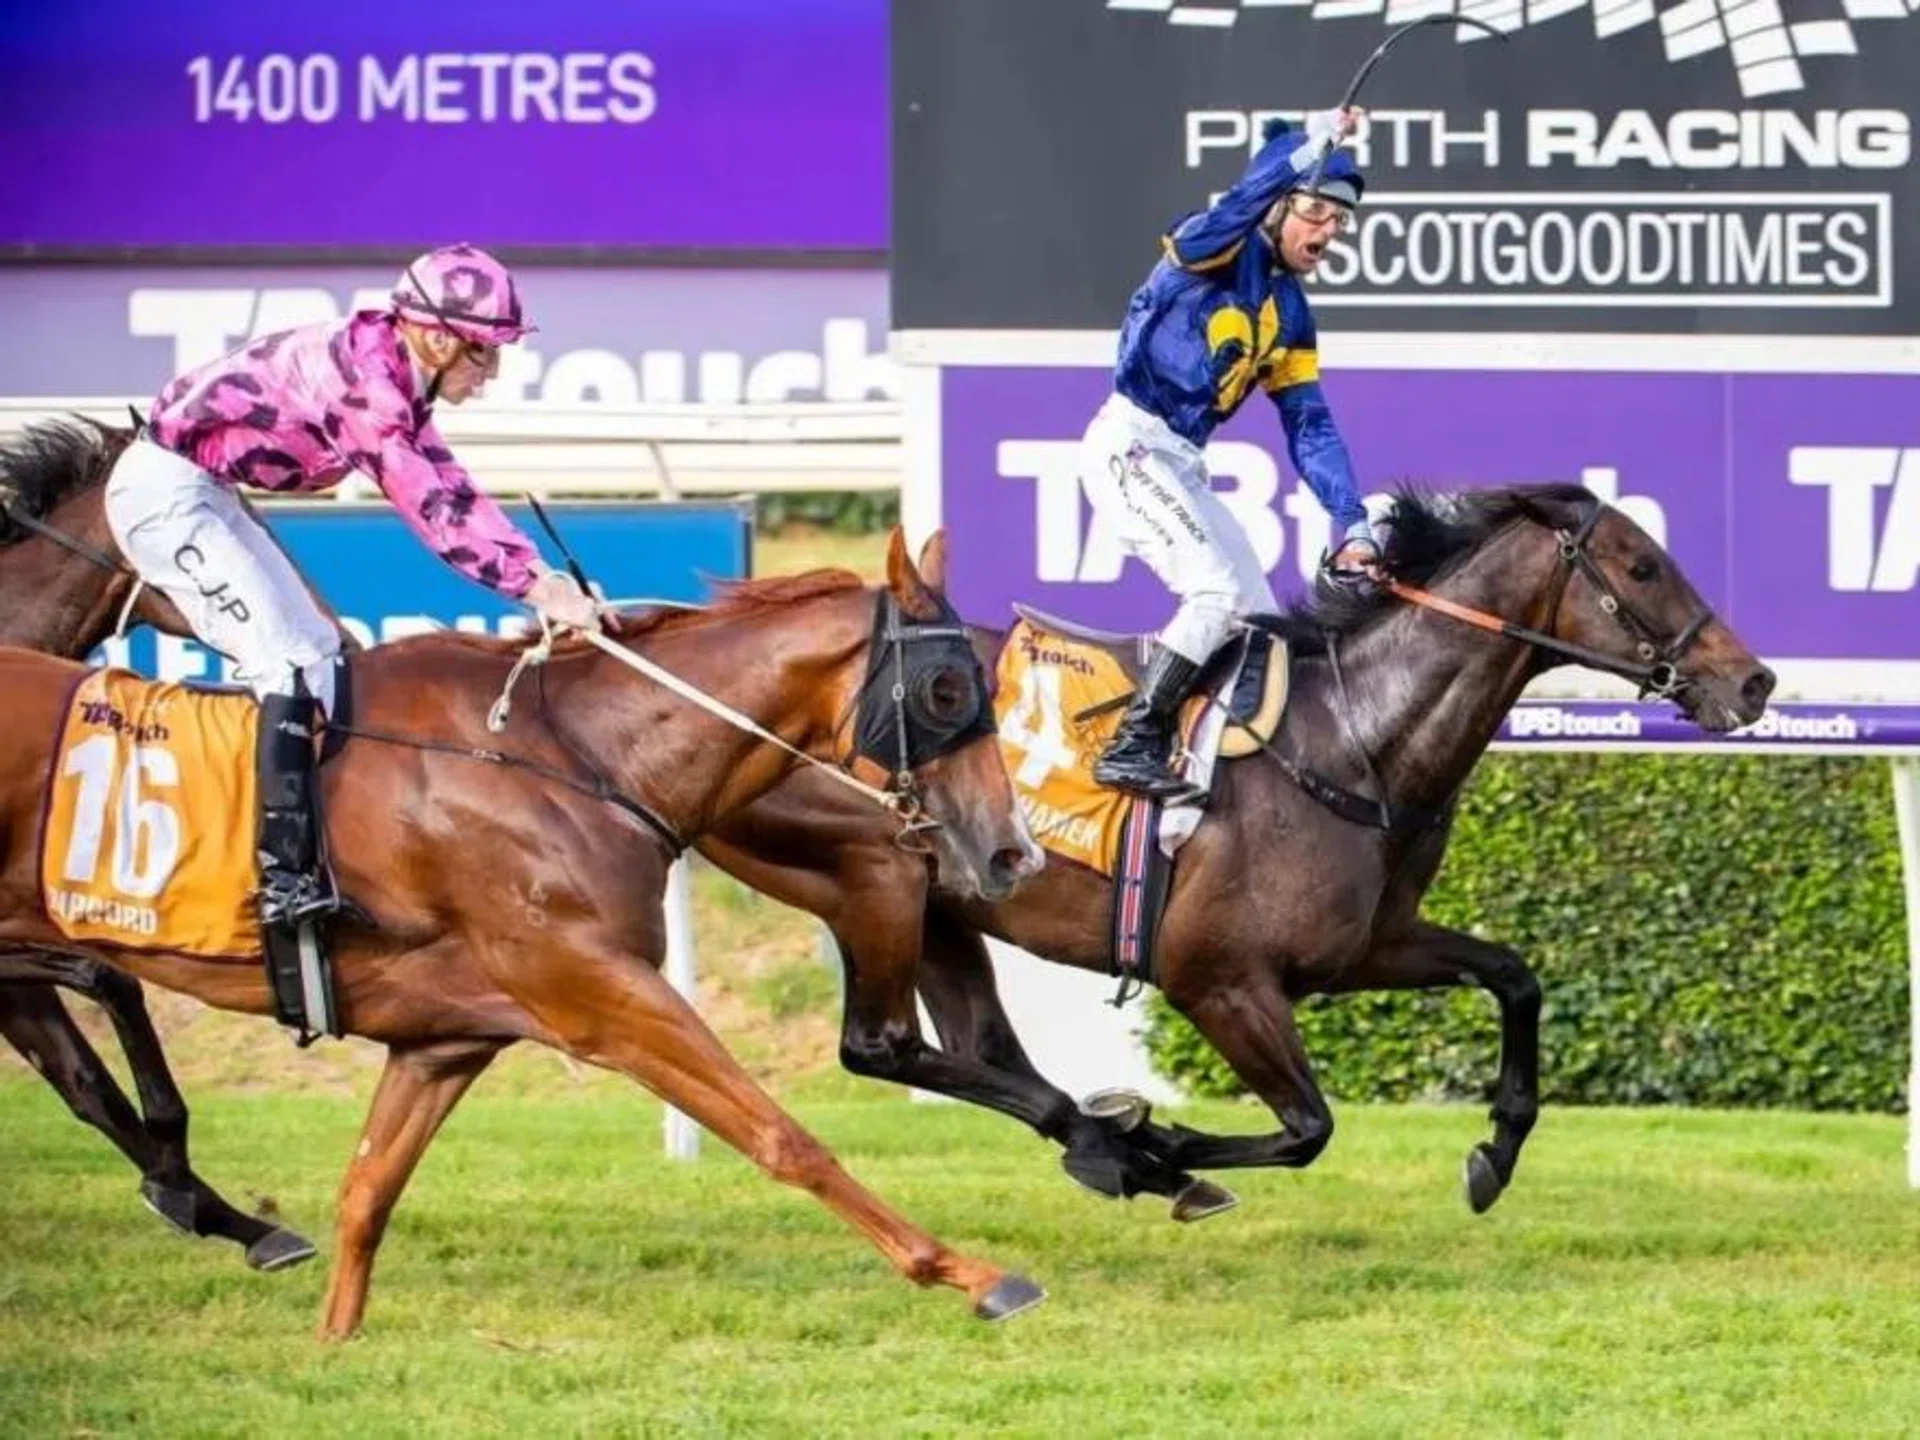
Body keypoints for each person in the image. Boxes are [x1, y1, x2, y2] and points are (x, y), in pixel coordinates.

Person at [103, 243, 603, 957]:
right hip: (165, 497)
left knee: (320, 659)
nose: (490, 373)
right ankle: (279, 883)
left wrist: (541, 574)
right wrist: (535, 588)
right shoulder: (367, 384)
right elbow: (431, 511)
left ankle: (312, 856)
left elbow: (453, 485)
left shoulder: (392, 368)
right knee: (283, 667)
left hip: (206, 492)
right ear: (435, 335)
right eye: (483, 354)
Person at [1083, 109, 1381, 803]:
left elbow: (1310, 424)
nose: (1328, 232)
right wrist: (1308, 143)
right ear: (1276, 206)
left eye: (1339, 221)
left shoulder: (1292, 310)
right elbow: (1238, 205)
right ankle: (1132, 745)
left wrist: (1354, 522)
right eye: (1315, 213)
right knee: (1213, 591)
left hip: (1179, 461)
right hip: (1130, 445)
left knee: (1256, 618)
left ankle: (1217, 762)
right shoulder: (1213, 244)